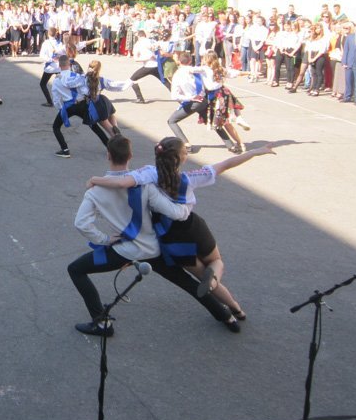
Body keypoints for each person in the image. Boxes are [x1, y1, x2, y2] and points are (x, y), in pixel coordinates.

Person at [88, 137, 277, 321]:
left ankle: (217, 290)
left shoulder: (149, 174)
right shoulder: (189, 178)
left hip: (170, 236)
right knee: (216, 261)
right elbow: (226, 164)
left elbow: (121, 182)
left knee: (199, 273)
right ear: (182, 158)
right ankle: (229, 300)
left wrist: (95, 179)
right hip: (193, 228)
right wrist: (254, 152)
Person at [68, 135, 239, 337]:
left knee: (76, 269)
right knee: (186, 282)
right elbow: (174, 212)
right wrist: (186, 207)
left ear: (108, 155)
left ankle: (101, 323)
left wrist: (104, 239)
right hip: (153, 249)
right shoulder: (144, 184)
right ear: (130, 156)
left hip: (123, 251)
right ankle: (226, 316)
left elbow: (81, 223)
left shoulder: (95, 191)